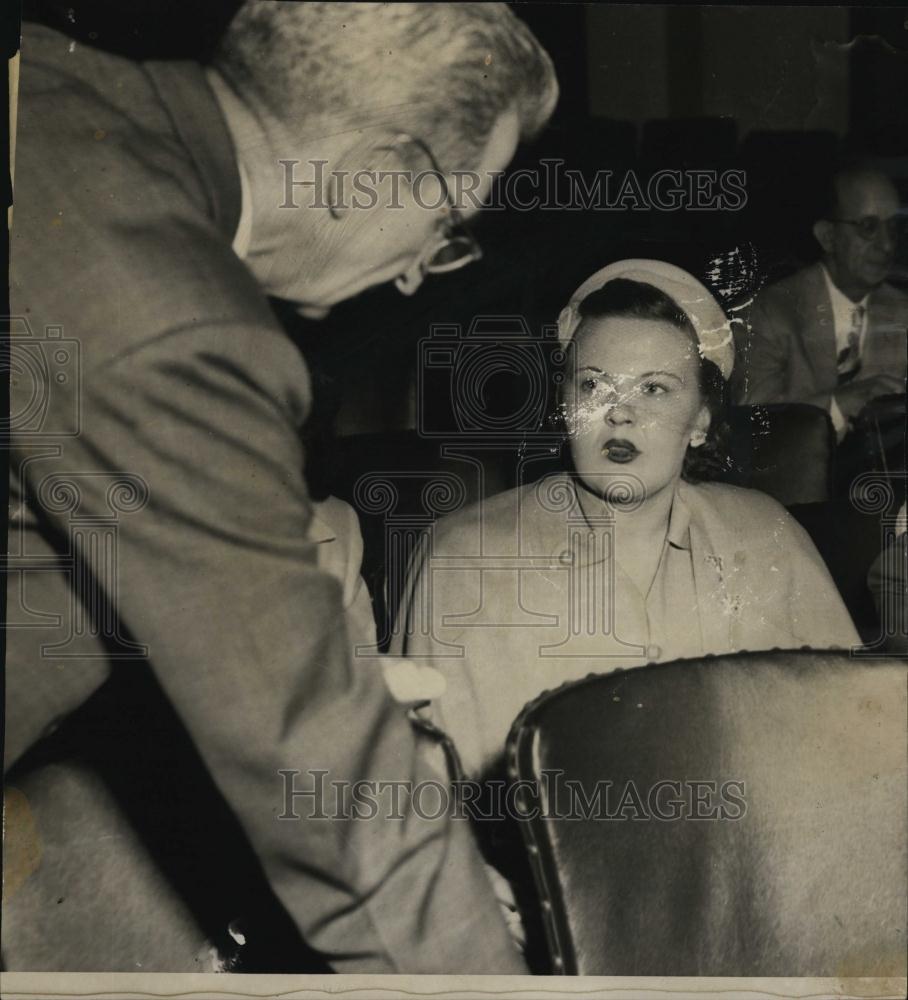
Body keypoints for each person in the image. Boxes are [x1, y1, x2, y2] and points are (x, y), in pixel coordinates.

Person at [6, 1, 557, 973]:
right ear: (373, 170)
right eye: (448, 223)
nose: (416, 278)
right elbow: (337, 802)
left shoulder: (48, 84)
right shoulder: (176, 320)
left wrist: (259, 659)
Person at [393, 260, 860, 781]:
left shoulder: (768, 538)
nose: (619, 413)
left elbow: (856, 747)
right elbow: (427, 806)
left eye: (654, 389)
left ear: (701, 420)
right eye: (593, 386)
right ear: (563, 405)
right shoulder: (466, 557)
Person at [736, 166, 907, 445]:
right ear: (828, 236)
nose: (887, 245)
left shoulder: (903, 311)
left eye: (893, 228)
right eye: (868, 227)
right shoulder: (766, 311)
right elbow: (752, 425)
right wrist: (841, 404)